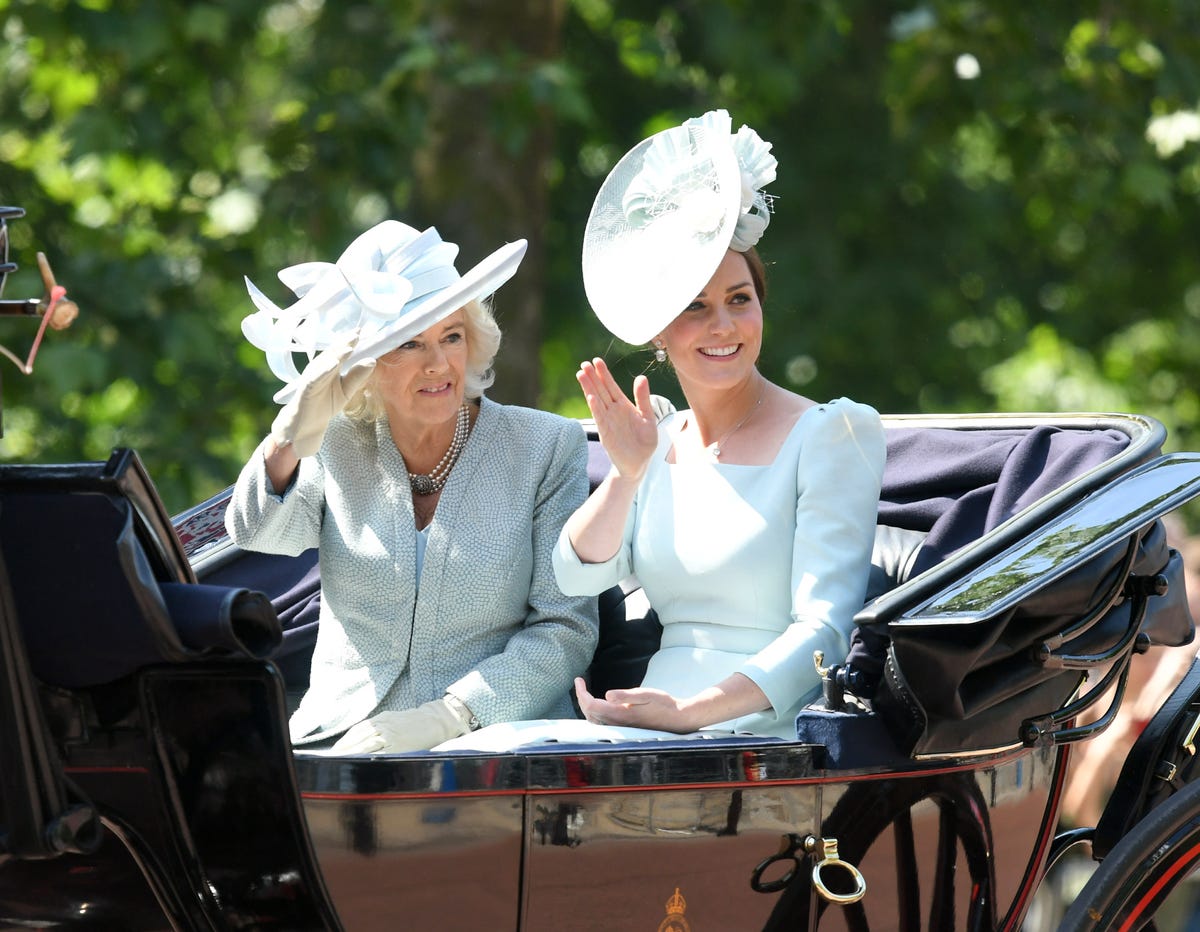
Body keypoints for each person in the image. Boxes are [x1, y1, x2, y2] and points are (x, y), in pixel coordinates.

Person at [552, 110, 887, 740]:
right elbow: (575, 573)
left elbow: (826, 632)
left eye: (740, 299)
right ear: (660, 329)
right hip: (650, 720)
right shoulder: (655, 435)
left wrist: (693, 712)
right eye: (696, 308)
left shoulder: (833, 434)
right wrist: (626, 476)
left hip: (769, 728)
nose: (724, 326)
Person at [224, 220, 599, 753]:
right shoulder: (332, 443)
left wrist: (451, 716)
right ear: (367, 362)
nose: (439, 363)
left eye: (452, 336)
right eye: (409, 343)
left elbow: (565, 630)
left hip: (496, 744)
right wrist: (287, 439)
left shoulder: (544, 446)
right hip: (340, 739)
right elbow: (256, 534)